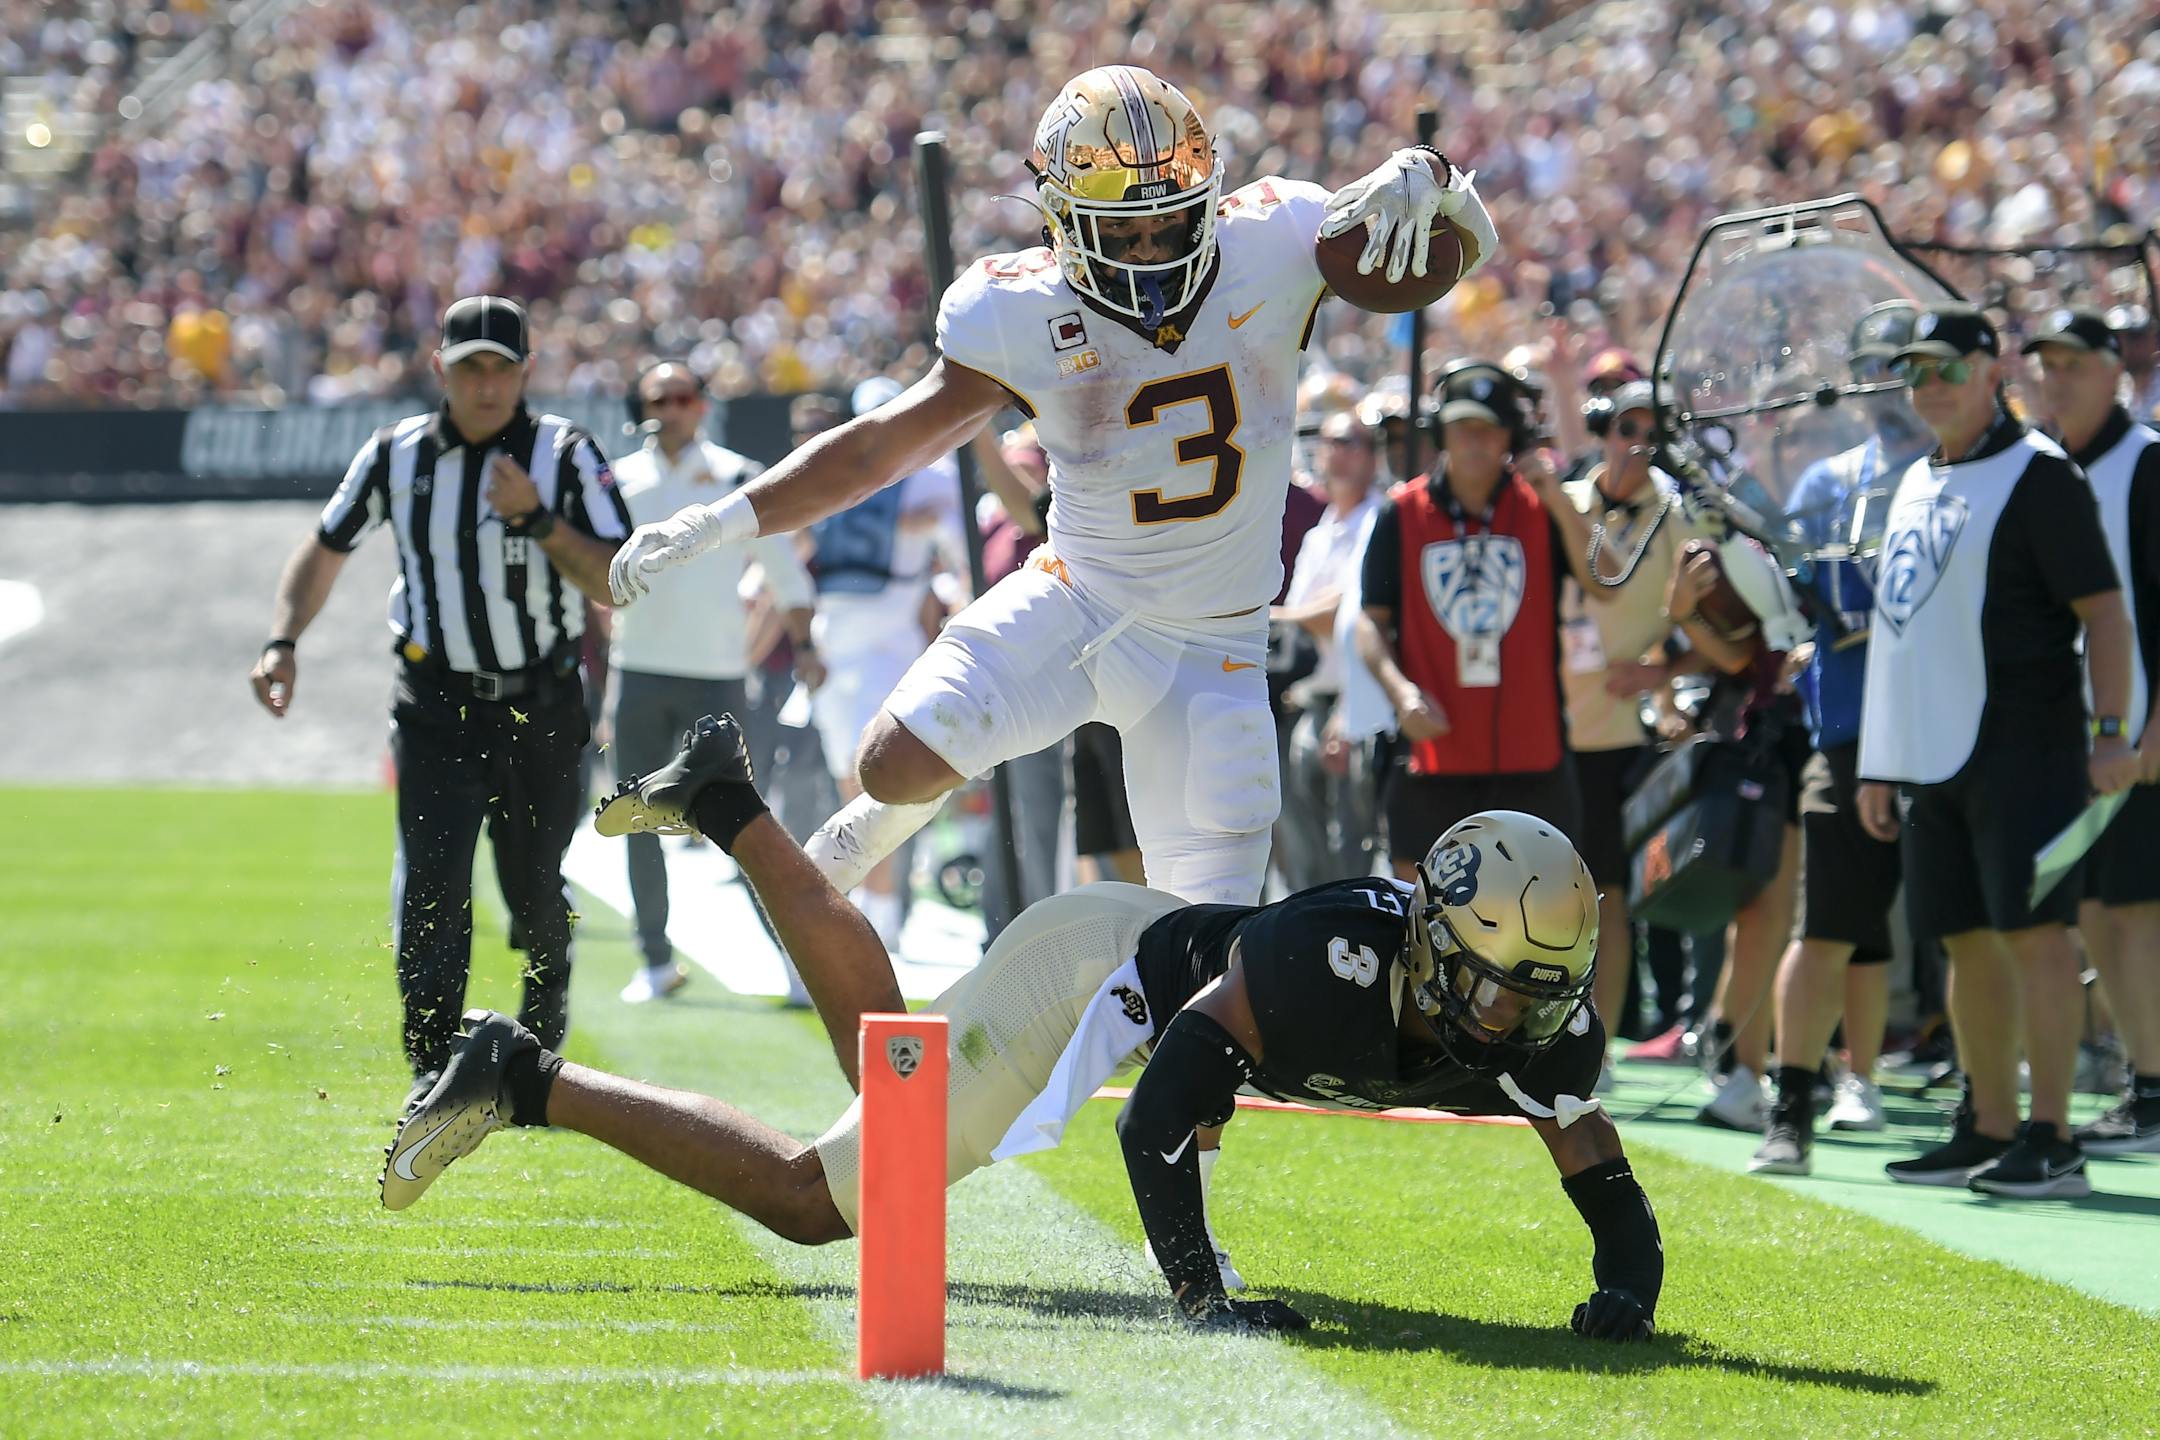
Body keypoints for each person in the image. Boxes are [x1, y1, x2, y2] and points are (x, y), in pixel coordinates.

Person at [385, 716, 1663, 1342]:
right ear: (1433, 939)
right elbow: (1163, 1113)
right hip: (1089, 973)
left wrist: (1624, 1294)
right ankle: (524, 1073)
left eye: (1535, 992)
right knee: (823, 1201)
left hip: (1133, 955)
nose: (1513, 1018)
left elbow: (1598, 1170)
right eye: (1494, 986)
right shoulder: (1327, 966)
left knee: (883, 1056)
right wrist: (1202, 1299)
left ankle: (726, 801)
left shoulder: (1534, 1017)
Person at [605, 64, 1498, 919]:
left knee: (1201, 936)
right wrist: (723, 519)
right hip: (1079, 599)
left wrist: (1442, 185)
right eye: (1125, 234)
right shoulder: (1020, 312)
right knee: (892, 763)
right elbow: (880, 449)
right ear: (1062, 223)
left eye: (1171, 226)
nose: (1151, 254)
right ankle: (843, 848)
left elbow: (1456, 248)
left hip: (1214, 646)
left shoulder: (1279, 238)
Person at [248, 296, 630, 1102]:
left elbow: (614, 577)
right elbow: (326, 547)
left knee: (532, 882)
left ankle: (544, 1004)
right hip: (435, 702)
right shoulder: (396, 453)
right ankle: (433, 1066)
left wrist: (536, 520)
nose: (485, 385)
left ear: (525, 372)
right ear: (440, 371)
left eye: (500, 368)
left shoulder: (567, 452)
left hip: (543, 703)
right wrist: (284, 640)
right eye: (469, 369)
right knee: (432, 884)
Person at [1857, 305, 2140, 1199]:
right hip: (1931, 755)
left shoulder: (2042, 475)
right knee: (1963, 943)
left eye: (1945, 368)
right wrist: (1877, 755)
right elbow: (1895, 625)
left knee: (2035, 937)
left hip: (2025, 743)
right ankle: (1987, 1124)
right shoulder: (1914, 478)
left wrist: (2109, 732)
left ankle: (2052, 1138)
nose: (1927, 386)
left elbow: (2106, 615)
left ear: (1991, 371)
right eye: (1915, 372)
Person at [1751, 302, 1932, 1173]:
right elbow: (1799, 607)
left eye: (1909, 365)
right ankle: (1791, 1107)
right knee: (1823, 925)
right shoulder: (1827, 485)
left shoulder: (1964, 470)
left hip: (1952, 725)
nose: (1893, 385)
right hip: (1854, 730)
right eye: (1880, 367)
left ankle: (1997, 1114)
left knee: (1978, 932)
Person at [606, 360, 823, 1003]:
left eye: (681, 397)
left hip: (716, 679)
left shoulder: (733, 478)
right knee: (638, 822)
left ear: (701, 405)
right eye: (657, 398)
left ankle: (794, 963)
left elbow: (786, 573)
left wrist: (806, 643)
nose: (669, 408)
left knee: (743, 827)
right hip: (639, 670)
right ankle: (654, 960)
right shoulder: (618, 481)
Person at [1356, 361, 1617, 877]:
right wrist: (1400, 692)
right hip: (1433, 761)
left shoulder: (1543, 507)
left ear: (1511, 436)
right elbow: (1371, 623)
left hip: (1533, 762)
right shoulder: (1400, 512)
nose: (1474, 441)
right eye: (1461, 427)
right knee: (1420, 925)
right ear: (1441, 432)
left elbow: (1606, 580)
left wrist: (1560, 501)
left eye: (1488, 428)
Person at [2024, 307, 2160, 1155]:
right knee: (2104, 912)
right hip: (2082, 735)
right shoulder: (2050, 467)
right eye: (2048, 363)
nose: (2059, 377)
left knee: (2136, 911)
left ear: (2115, 368)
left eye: (2076, 362)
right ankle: (2146, 1082)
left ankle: (2154, 1087)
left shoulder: (2147, 463)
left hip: (2137, 734)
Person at [1555, 380, 1714, 1048]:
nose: (1636, 445)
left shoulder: (1680, 521)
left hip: (1617, 737)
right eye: (1625, 428)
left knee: (1606, 899)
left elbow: (1724, 640)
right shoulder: (1559, 505)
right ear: (1600, 429)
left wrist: (1660, 672)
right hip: (1541, 730)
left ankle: (1598, 1043)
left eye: (1651, 433)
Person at [803, 375, 967, 949]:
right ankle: (866, 910)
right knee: (847, 781)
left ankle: (882, 917)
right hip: (832, 640)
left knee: (875, 783)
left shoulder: (936, 476)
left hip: (888, 647)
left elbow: (960, 552)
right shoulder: (834, 468)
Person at [1273, 407, 1385, 890]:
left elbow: (1335, 612)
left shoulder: (1379, 519)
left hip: (1355, 702)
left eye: (1351, 442)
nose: (1337, 453)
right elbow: (1305, 617)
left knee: (1349, 850)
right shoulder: (1320, 533)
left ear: (1374, 458)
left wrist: (1266, 616)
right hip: (1310, 703)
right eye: (1331, 442)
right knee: (1304, 848)